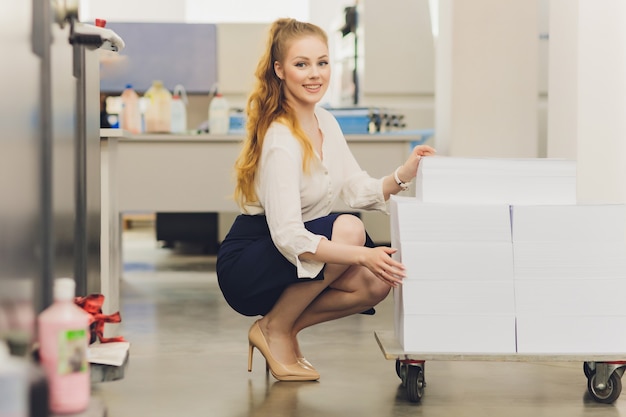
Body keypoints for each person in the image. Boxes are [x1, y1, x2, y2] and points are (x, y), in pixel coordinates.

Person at [216, 18, 436, 382]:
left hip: (291, 250)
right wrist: (363, 253)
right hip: (250, 259)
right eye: (301, 64)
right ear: (280, 70)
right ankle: (277, 330)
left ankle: (277, 327)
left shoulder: (325, 122)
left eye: (322, 62)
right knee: (349, 229)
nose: (314, 74)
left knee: (376, 284)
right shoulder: (280, 139)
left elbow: (352, 186)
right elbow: (287, 235)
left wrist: (402, 175)